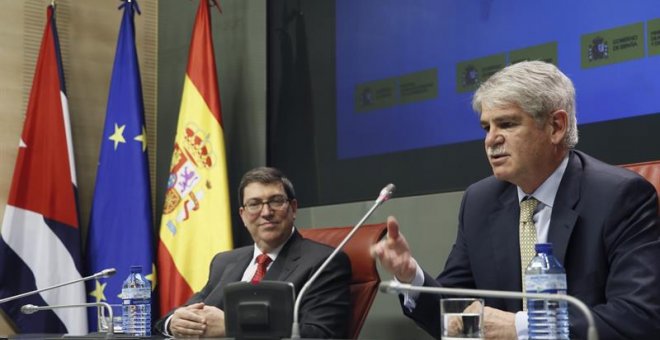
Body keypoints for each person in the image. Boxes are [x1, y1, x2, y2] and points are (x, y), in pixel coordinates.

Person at [371, 60, 660, 339]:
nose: (491, 140)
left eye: (507, 124)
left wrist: (523, 328)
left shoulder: (619, 197)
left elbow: (635, 318)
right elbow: (457, 321)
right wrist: (412, 278)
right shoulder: (480, 202)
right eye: (487, 127)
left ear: (556, 127)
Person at [154, 166, 352, 338]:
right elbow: (187, 312)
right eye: (254, 204)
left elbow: (321, 334)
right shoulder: (225, 262)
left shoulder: (324, 262)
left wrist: (231, 326)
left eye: (276, 201)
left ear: (293, 208)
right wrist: (173, 323)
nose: (266, 212)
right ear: (243, 215)